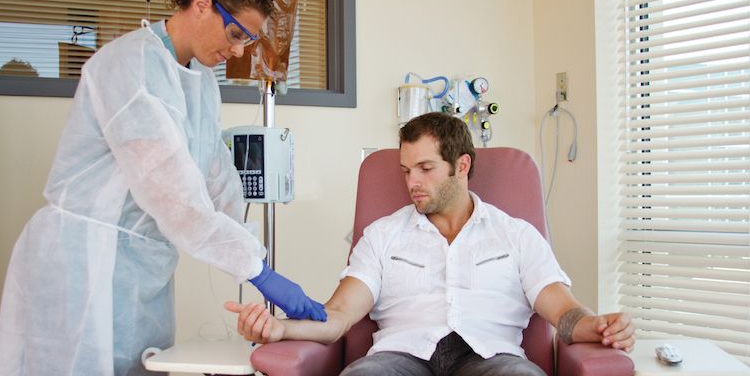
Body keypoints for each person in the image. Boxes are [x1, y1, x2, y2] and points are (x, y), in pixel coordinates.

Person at [0, 0, 325, 375]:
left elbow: (217, 179)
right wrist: (258, 272)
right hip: (84, 261)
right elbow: (175, 195)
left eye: (248, 41)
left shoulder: (201, 82)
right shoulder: (128, 66)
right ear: (202, 4)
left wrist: (255, 259)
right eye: (236, 33)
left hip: (144, 268)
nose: (238, 50)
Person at [226, 112, 635, 376]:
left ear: (462, 165)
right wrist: (281, 328)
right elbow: (337, 317)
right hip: (399, 359)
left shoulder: (516, 234)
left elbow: (563, 313)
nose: (412, 183)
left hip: (491, 361)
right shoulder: (383, 235)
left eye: (425, 168)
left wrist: (598, 326)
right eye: (406, 171)